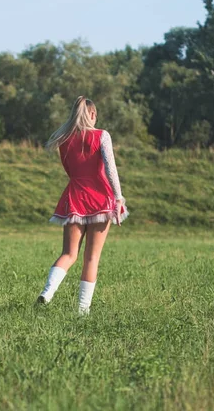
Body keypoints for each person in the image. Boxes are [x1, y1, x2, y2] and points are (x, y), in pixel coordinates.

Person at [37, 96, 128, 315]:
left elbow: (70, 171)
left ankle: (47, 293)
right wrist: (118, 197)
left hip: (74, 197)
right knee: (91, 257)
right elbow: (110, 168)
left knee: (69, 254)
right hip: (100, 198)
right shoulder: (101, 135)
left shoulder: (63, 140)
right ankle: (82, 310)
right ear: (93, 114)